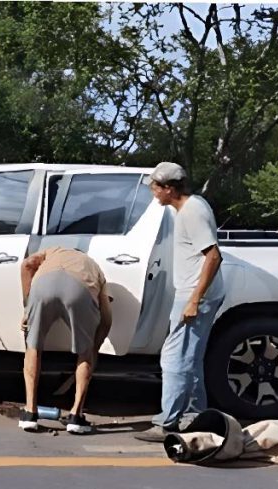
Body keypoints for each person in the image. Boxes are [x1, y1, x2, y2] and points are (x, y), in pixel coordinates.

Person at [135, 162, 225, 442]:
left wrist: (194, 301)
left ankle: (167, 423)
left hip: (195, 295)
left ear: (169, 189)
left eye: (155, 187)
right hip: (196, 293)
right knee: (190, 359)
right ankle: (195, 416)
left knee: (174, 358)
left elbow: (213, 256)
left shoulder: (191, 212)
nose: (152, 193)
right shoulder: (190, 207)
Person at [18, 246, 112, 434]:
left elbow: (27, 264)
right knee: (85, 353)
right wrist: (95, 348)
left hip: (43, 285)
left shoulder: (51, 252)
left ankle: (30, 413)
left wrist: (27, 308)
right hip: (79, 290)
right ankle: (75, 417)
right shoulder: (94, 267)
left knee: (33, 347)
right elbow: (107, 316)